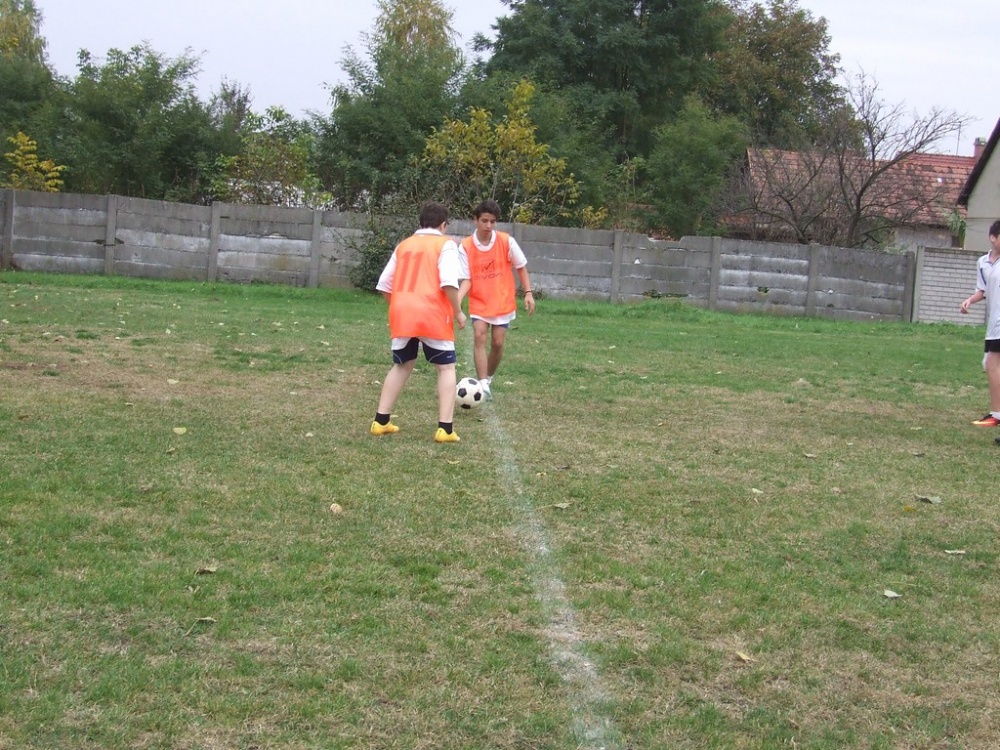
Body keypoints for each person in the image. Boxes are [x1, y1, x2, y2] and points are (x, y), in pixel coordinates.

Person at [371, 202, 467, 443]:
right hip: (432, 312)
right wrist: (458, 311)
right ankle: (445, 429)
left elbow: (384, 284)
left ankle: (380, 421)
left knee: (402, 365)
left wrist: (400, 305)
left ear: (421, 223)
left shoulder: (404, 245)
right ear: (443, 225)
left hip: (402, 312)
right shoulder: (446, 244)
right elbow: (448, 282)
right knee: (446, 368)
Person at [458, 199, 535, 398]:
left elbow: (521, 266)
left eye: (492, 221)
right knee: (479, 336)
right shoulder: (465, 246)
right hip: (479, 301)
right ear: (475, 220)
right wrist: (456, 301)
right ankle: (483, 384)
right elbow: (466, 279)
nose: (488, 225)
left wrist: (528, 293)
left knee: (498, 343)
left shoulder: (506, 241)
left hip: (502, 300)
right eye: (484, 221)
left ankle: (489, 377)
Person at [960, 219, 1000, 427]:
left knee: (992, 363)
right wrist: (969, 300)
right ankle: (996, 413)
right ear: (993, 237)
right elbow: (983, 291)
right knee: (989, 363)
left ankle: (997, 414)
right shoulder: (983, 262)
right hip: (993, 324)